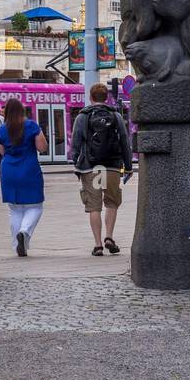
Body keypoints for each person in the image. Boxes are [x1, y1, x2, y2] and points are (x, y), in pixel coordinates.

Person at [71, 83, 134, 257]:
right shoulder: (115, 116)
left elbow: (75, 143)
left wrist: (76, 163)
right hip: (112, 165)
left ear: (91, 97)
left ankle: (98, 245)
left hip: (90, 167)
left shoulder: (83, 116)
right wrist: (128, 167)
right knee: (112, 203)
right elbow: (124, 142)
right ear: (107, 98)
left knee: (94, 206)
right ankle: (109, 237)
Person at [0, 97, 46, 257]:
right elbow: (42, 147)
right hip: (29, 168)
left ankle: (17, 243)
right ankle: (24, 232)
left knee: (15, 209)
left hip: (9, 170)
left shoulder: (2, 129)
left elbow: (2, 151)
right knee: (35, 206)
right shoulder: (31, 126)